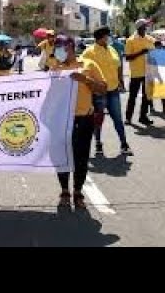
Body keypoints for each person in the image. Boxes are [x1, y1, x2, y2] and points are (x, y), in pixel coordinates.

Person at [51, 36, 107, 209]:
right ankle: (65, 192)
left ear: (71, 47)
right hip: (60, 120)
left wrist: (85, 80)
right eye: (56, 47)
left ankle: (78, 192)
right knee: (61, 157)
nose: (58, 50)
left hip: (83, 119)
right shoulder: (54, 68)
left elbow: (103, 87)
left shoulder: (88, 65)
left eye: (61, 47)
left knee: (81, 157)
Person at [81, 26, 132, 156]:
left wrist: (120, 80)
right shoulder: (89, 52)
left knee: (118, 119)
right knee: (98, 120)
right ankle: (98, 145)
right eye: (108, 36)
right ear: (102, 37)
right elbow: (82, 70)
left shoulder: (112, 49)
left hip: (114, 90)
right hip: (98, 93)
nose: (110, 38)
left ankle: (124, 144)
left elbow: (118, 64)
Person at [125, 19, 156, 126]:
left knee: (146, 96)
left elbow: (157, 48)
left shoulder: (150, 39)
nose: (146, 28)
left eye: (146, 26)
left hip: (148, 72)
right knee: (132, 97)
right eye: (145, 26)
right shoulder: (130, 40)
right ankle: (128, 118)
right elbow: (128, 57)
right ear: (139, 28)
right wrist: (141, 52)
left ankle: (143, 117)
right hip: (136, 73)